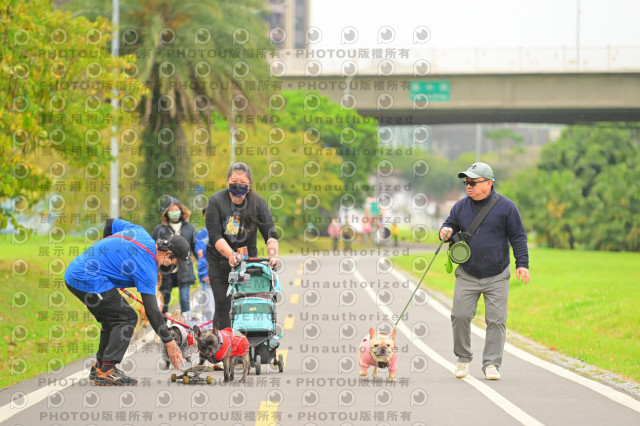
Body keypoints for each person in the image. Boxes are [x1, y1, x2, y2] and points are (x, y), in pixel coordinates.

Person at [64, 218, 186, 386]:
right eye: (173, 264)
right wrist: (169, 342)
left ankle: (100, 367)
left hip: (79, 271)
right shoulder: (147, 268)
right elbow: (152, 311)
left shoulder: (140, 232)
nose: (171, 268)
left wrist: (107, 259)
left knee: (113, 318)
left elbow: (110, 223)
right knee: (126, 318)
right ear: (167, 254)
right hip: (86, 278)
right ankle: (107, 370)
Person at [439, 162, 530, 381]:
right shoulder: (460, 207)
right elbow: (449, 225)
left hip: (497, 274)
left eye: (473, 182)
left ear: (488, 183)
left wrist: (522, 264)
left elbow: (518, 236)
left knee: (496, 320)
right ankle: (463, 358)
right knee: (459, 316)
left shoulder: (507, 207)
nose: (468, 186)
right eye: (466, 182)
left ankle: (491, 364)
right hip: (467, 274)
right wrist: (444, 231)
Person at [205, 162, 279, 329]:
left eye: (243, 182)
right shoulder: (216, 201)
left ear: (249, 184)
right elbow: (215, 235)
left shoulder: (258, 203)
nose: (238, 184)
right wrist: (230, 255)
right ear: (227, 181)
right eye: (234, 181)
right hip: (218, 260)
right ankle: (223, 342)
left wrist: (273, 255)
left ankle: (246, 340)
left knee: (246, 303)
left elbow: (270, 234)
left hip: (247, 262)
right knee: (223, 304)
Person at [151, 197, 197, 326]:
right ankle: (163, 328)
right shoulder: (159, 229)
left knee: (184, 299)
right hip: (165, 270)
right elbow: (152, 250)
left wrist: (205, 270)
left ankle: (187, 327)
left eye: (176, 209)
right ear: (166, 213)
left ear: (182, 210)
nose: (174, 212)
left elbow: (196, 248)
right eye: (171, 210)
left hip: (184, 268)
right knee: (164, 301)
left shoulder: (190, 228)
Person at [194, 208, 215, 330]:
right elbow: (201, 256)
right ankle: (210, 332)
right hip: (209, 276)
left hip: (224, 276)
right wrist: (204, 274)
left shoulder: (225, 231)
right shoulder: (202, 235)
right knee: (209, 307)